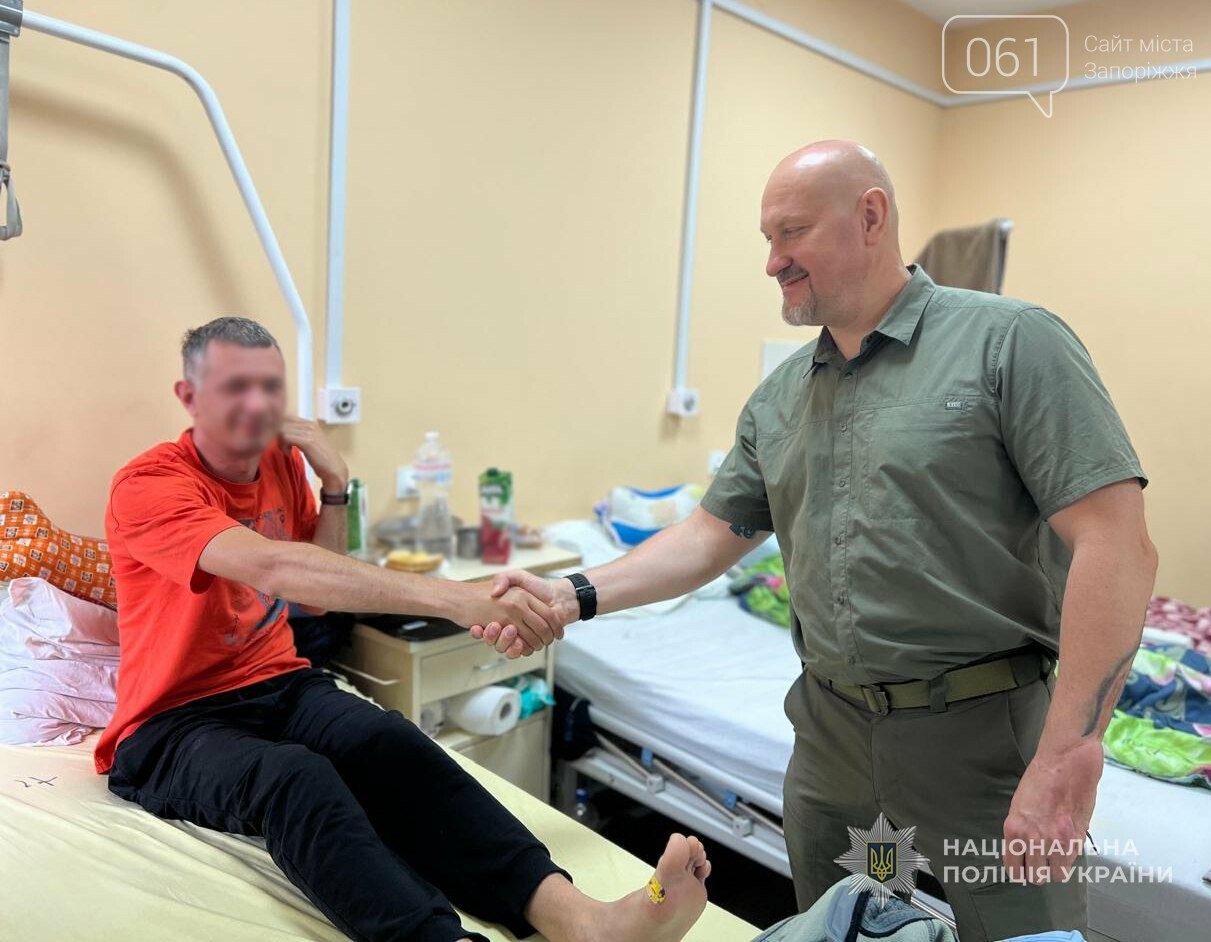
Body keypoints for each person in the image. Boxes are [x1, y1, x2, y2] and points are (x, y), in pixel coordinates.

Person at [472, 141, 1158, 941]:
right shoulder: (779, 400)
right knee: (844, 924)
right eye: (767, 239)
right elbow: (707, 536)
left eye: (791, 232)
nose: (772, 261)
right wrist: (571, 594)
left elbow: (1115, 543)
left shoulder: (1009, 344)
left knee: (1024, 934)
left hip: (982, 740)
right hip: (835, 742)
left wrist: (1069, 752)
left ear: (870, 216)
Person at [98, 316, 711, 942]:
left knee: (390, 742)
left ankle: (585, 920)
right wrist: (459, 601)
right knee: (295, 778)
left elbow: (313, 604)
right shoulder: (150, 486)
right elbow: (280, 569)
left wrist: (335, 485)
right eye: (236, 387)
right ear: (190, 396)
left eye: (270, 386)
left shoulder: (281, 467)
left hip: (280, 685)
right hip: (174, 722)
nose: (257, 405)